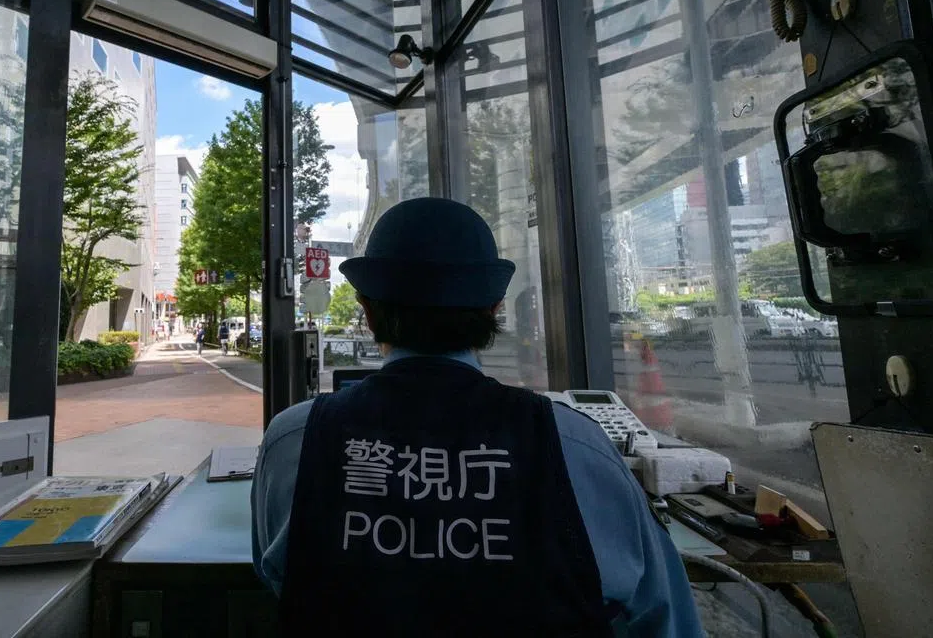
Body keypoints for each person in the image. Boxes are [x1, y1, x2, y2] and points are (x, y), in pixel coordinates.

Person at [252, 198, 701, 637]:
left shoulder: (294, 439)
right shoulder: (578, 446)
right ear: (493, 310)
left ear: (368, 313)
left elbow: (281, 580)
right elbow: (664, 616)